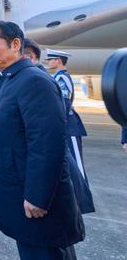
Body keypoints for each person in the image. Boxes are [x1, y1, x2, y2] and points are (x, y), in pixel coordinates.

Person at [0, 21, 84, 260]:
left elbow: (47, 145)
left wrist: (38, 197)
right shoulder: (11, 79)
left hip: (37, 203)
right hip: (20, 192)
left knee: (45, 252)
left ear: (16, 44)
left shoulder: (34, 81)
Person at [45, 49, 95, 214]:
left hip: (69, 127)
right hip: (65, 126)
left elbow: (64, 104)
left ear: (58, 61)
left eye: (50, 60)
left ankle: (82, 202)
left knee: (77, 166)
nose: (48, 62)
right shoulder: (58, 77)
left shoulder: (61, 78)